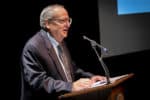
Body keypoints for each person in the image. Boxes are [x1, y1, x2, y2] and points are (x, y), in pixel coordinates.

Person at [20, 4, 105, 100]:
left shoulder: (60, 41)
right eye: (62, 21)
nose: (68, 25)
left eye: (68, 20)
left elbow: (71, 69)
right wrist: (70, 87)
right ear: (47, 24)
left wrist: (91, 78)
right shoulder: (33, 47)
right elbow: (39, 81)